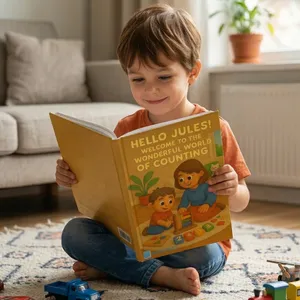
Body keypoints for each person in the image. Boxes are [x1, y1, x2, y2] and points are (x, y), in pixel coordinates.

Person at [55, 3, 251, 296]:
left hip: (190, 241)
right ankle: (160, 274)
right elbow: (104, 204)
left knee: (206, 256)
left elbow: (241, 202)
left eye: (163, 77)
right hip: (138, 237)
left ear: (192, 72)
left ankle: (119, 267)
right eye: (138, 79)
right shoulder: (126, 127)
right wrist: (75, 177)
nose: (151, 90)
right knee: (74, 234)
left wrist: (232, 188)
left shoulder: (213, 128)